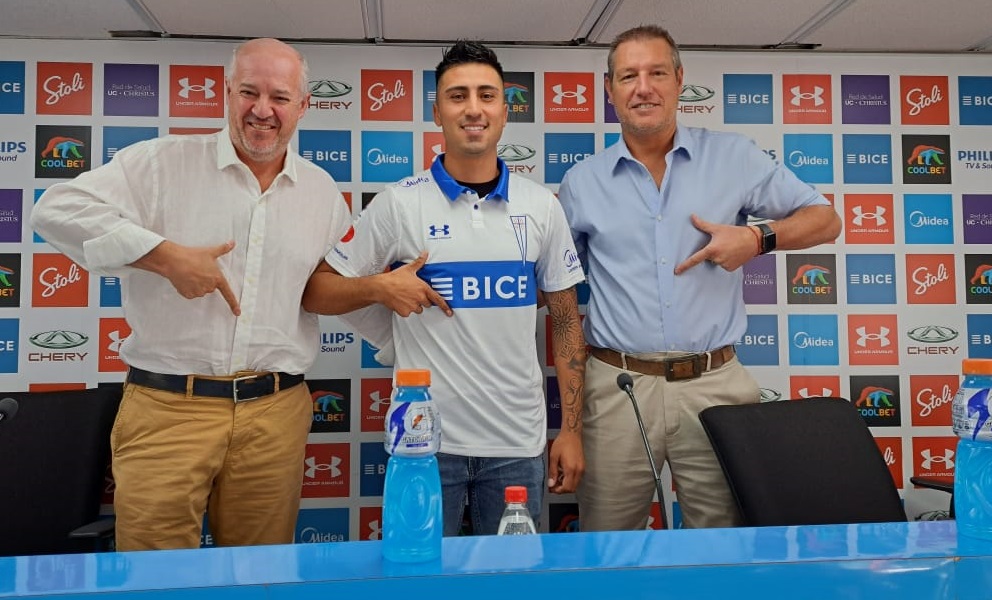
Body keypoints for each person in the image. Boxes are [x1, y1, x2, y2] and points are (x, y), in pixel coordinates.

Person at [30, 38, 351, 550]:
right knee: (154, 579)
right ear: (226, 92)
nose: (262, 110)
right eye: (248, 92)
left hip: (275, 413)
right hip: (167, 408)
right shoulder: (161, 163)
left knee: (259, 578)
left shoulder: (323, 192)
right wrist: (164, 256)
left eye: (280, 97)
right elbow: (54, 210)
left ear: (304, 105)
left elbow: (321, 288)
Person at [558, 25, 842, 531]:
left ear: (679, 80)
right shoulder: (581, 183)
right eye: (628, 76)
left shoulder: (733, 156)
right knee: (607, 543)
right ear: (610, 90)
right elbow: (554, 293)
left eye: (656, 73)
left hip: (716, 385)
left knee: (725, 542)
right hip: (618, 387)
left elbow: (825, 218)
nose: (643, 87)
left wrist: (757, 239)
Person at [302, 40, 587, 535]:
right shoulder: (398, 203)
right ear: (436, 112)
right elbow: (316, 291)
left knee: (511, 586)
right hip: (422, 445)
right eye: (458, 96)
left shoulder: (541, 205)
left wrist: (572, 431)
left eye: (486, 95)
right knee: (417, 580)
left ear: (505, 109)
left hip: (516, 446)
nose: (473, 108)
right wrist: (379, 288)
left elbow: (565, 322)